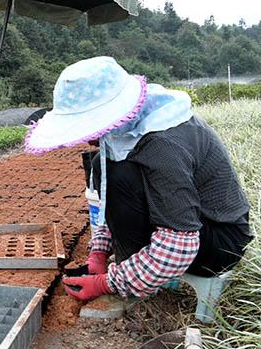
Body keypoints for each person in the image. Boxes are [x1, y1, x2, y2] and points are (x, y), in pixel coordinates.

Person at [25, 56, 253, 301]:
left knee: (116, 173)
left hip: (219, 241)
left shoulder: (163, 144)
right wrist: (99, 252)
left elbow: (180, 244)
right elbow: (108, 202)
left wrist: (109, 283)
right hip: (193, 224)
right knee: (103, 166)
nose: (86, 137)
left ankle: (134, 279)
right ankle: (137, 268)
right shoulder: (132, 131)